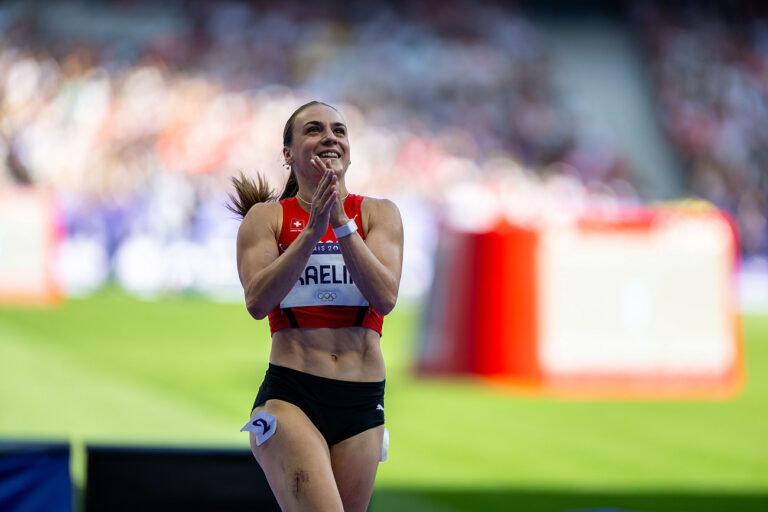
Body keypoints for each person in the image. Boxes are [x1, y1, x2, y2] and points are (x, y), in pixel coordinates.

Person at [229, 101, 404, 512]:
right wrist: (311, 233)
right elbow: (257, 301)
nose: (330, 137)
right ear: (288, 154)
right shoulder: (267, 218)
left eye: (339, 130)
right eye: (314, 129)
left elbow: (385, 297)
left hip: (362, 399)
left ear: (349, 150)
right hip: (293, 395)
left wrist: (340, 223)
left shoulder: (378, 213)